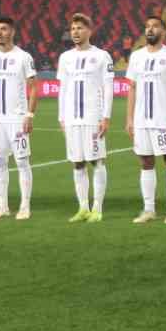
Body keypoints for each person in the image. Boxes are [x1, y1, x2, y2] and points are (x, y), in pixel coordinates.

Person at [124, 15, 166, 224]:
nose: (150, 30)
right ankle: (149, 209)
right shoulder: (136, 57)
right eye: (147, 26)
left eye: (155, 26)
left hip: (164, 120)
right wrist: (130, 119)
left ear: (164, 31)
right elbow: (132, 88)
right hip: (142, 120)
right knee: (146, 162)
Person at [0, 16, 40, 220]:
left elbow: (34, 87)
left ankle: (25, 206)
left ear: (12, 31)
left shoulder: (24, 57)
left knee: (22, 161)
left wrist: (29, 115)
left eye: (4, 29)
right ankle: (2, 206)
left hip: (17, 119)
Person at [55, 13, 111, 222]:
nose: (75, 32)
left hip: (93, 118)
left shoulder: (102, 56)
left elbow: (108, 88)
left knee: (97, 161)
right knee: (77, 163)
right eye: (72, 29)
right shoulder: (65, 57)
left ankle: (97, 208)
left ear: (89, 30)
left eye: (79, 28)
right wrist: (61, 117)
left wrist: (106, 117)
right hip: (72, 119)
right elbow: (63, 89)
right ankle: (83, 208)